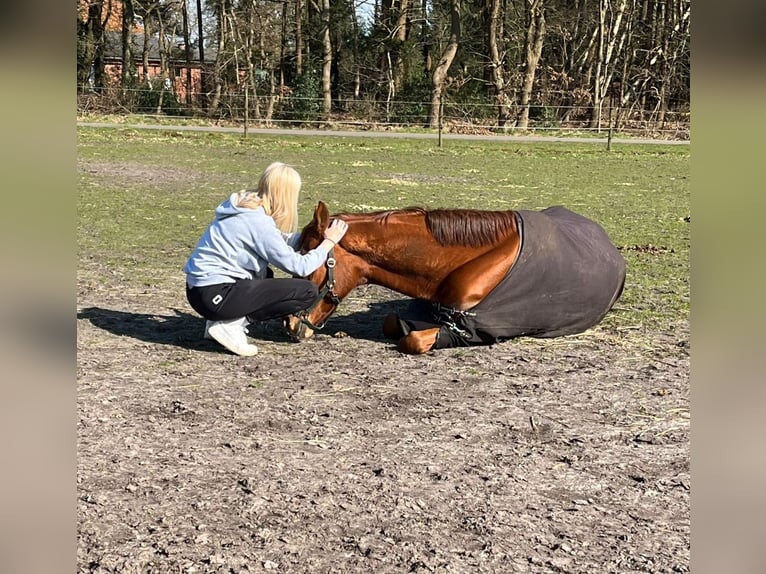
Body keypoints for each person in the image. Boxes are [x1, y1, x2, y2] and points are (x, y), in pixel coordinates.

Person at [184, 162, 348, 356]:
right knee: (306, 292)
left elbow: (275, 239)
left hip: (200, 291)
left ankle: (219, 321)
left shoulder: (245, 207)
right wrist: (329, 242)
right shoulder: (257, 222)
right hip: (216, 294)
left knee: (267, 275)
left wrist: (310, 238)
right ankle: (231, 324)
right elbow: (300, 267)